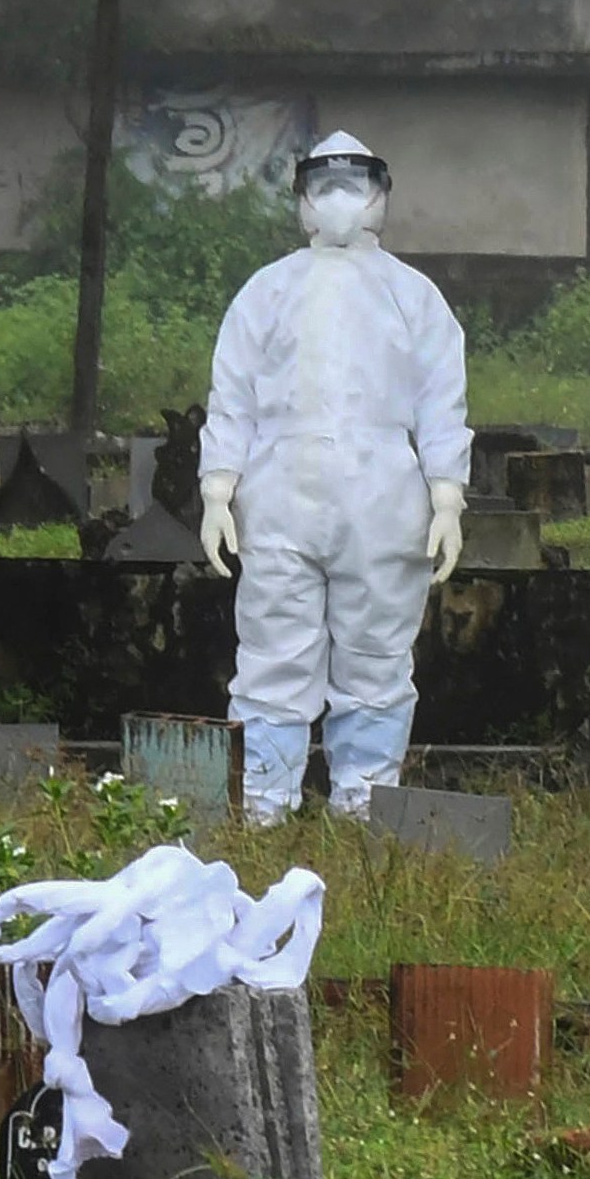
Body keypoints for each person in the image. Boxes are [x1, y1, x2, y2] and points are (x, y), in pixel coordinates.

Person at [198, 131, 470, 826]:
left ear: (380, 194)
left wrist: (448, 494)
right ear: (301, 200)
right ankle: (263, 806)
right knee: (272, 655)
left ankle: (364, 807)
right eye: (324, 186)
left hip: (382, 500)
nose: (340, 201)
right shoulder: (267, 291)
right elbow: (232, 397)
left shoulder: (414, 297)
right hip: (282, 495)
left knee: (377, 658)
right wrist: (216, 487)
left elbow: (443, 402)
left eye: (354, 185)